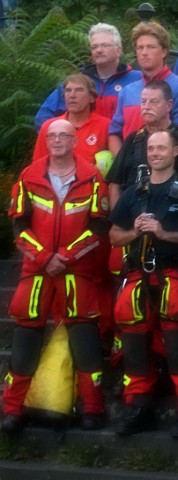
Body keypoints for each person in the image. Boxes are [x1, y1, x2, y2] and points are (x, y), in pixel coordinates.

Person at [3, 120, 110, 434]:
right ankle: (12, 409)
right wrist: (44, 257)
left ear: (75, 139)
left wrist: (67, 255)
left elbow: (99, 227)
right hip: (36, 272)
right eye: (52, 135)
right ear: (45, 140)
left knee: (86, 339)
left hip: (77, 271)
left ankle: (93, 408)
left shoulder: (92, 177)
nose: (58, 140)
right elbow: (18, 227)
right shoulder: (28, 176)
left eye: (64, 135)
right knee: (25, 339)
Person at [108, 129, 178, 437]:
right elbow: (113, 236)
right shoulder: (133, 192)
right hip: (137, 276)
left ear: (175, 151)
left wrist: (164, 234)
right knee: (134, 347)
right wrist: (136, 233)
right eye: (151, 148)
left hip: (174, 275)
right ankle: (138, 407)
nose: (155, 153)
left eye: (161, 148)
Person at [109, 22, 178, 151]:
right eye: (140, 48)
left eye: (151, 47)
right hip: (131, 165)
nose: (144, 52)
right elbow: (114, 133)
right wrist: (123, 163)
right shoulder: (127, 91)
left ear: (163, 51)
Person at [106, 81, 178, 203]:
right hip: (131, 213)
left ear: (168, 106)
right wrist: (117, 219)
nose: (147, 107)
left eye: (154, 102)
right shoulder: (132, 139)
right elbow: (115, 184)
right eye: (143, 102)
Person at [35, 23, 142, 128]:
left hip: (125, 144)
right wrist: (67, 136)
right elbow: (43, 117)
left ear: (119, 51)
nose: (99, 50)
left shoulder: (137, 79)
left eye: (104, 45)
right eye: (94, 47)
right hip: (84, 144)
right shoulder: (78, 82)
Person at [34, 73, 112, 168]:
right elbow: (37, 166)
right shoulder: (49, 126)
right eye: (68, 90)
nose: (72, 95)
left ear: (91, 98)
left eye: (79, 90)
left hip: (93, 181)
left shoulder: (106, 126)